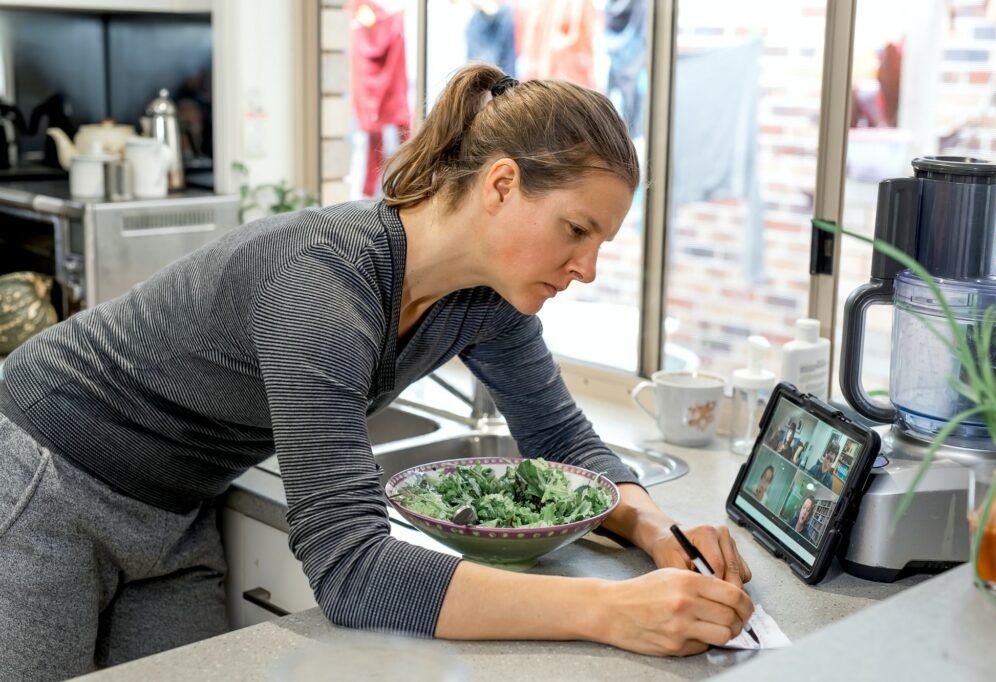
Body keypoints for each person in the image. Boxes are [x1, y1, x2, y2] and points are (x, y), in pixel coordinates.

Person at [0, 64, 754, 679]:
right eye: (576, 230)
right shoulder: (322, 283)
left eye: (602, 243)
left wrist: (659, 532)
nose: (587, 268)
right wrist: (610, 613)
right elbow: (351, 570)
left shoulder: (487, 302)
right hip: (46, 478)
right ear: (500, 185)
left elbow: (560, 435)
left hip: (177, 506)